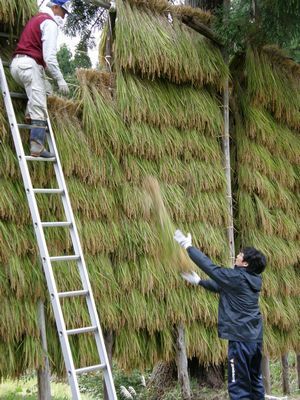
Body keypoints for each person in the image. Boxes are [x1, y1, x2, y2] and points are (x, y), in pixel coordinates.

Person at [174, 229, 267, 400]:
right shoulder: (251, 280)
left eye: (240, 255)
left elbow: (211, 268)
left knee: (238, 386)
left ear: (245, 264)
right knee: (255, 383)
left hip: (239, 341)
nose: (237, 256)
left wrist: (188, 247)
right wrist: (200, 282)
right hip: (254, 340)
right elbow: (221, 287)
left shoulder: (237, 278)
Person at [10, 0, 71, 158]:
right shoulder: (49, 24)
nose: (63, 17)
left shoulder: (37, 18)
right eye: (63, 12)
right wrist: (60, 79)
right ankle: (36, 145)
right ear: (55, 7)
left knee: (47, 89)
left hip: (18, 65)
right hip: (29, 66)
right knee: (39, 106)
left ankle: (29, 113)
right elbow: (49, 57)